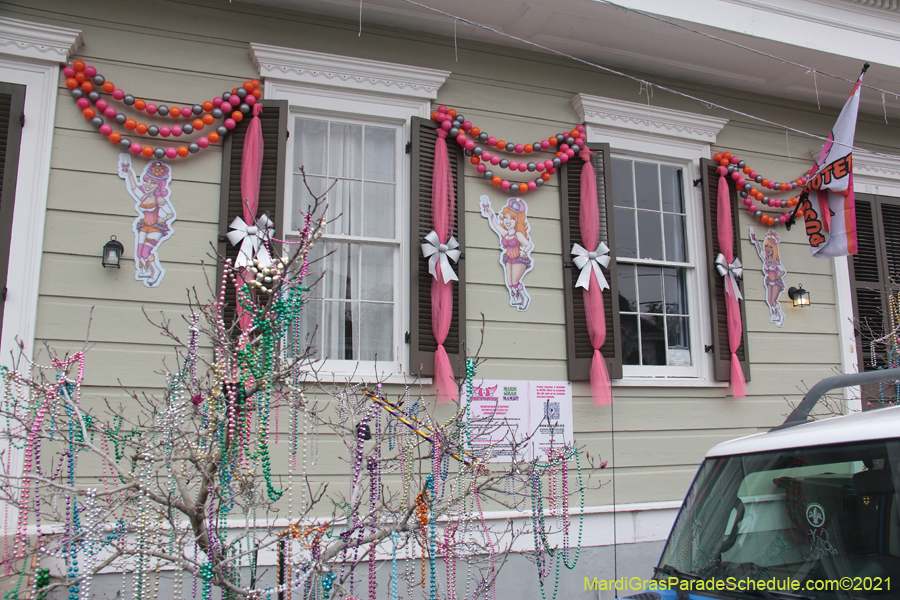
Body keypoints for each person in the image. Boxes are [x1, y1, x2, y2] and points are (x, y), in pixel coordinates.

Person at [118, 156, 176, 287]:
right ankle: (145, 270)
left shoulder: (159, 200)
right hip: (144, 227)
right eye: (146, 181)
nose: (148, 184)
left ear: (158, 185)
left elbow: (170, 213)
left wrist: (164, 219)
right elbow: (134, 188)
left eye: (152, 183)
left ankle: (155, 272)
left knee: (145, 252)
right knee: (139, 253)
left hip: (156, 228)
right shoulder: (143, 197)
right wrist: (130, 173)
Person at [480, 196, 534, 311]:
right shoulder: (505, 233)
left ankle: (524, 298)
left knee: (515, 281)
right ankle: (517, 298)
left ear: (517, 221)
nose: (508, 221)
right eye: (505, 218)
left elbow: (529, 245)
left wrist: (523, 252)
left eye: (512, 219)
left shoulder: (518, 234)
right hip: (508, 258)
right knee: (509, 283)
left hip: (519, 259)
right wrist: (489, 212)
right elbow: (495, 224)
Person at [750, 228, 786, 327]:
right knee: (769, 301)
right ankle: (775, 315)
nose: (768, 249)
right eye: (766, 246)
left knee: (774, 300)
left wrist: (779, 275)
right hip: (769, 281)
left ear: (774, 248)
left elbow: (782, 271)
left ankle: (780, 316)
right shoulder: (765, 259)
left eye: (770, 247)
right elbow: (759, 250)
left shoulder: (776, 261)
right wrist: (755, 239)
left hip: (776, 281)